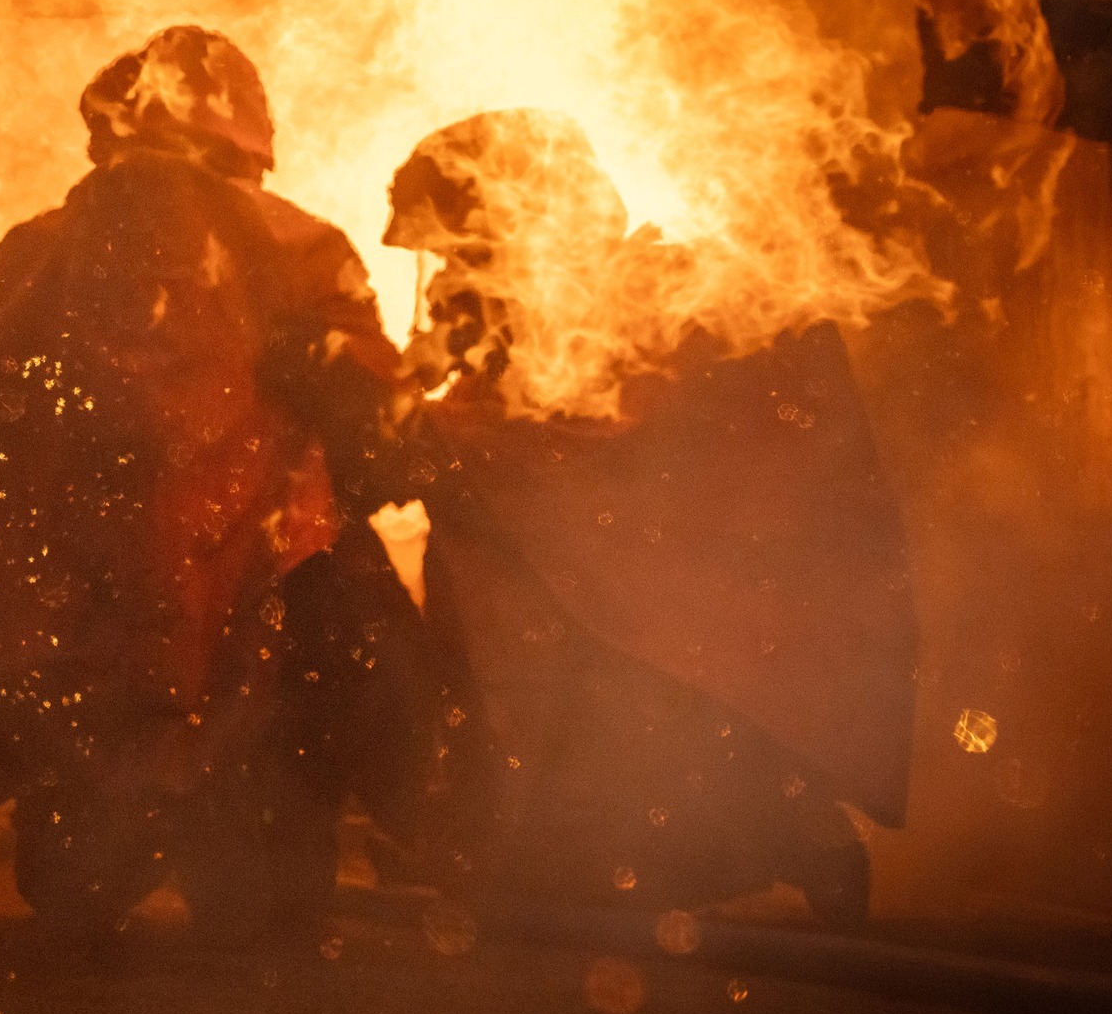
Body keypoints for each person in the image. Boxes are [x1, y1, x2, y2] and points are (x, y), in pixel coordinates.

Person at [0, 26, 431, 936]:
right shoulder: (298, 245)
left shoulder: (42, 250)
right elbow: (383, 428)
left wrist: (15, 526)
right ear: (248, 140)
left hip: (90, 610)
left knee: (85, 871)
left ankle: (110, 829)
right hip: (259, 597)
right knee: (267, 887)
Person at [382, 109, 921, 927]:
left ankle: (793, 838)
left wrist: (439, 431)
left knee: (679, 737)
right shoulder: (537, 306)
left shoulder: (660, 291)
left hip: (679, 602)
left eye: (469, 247)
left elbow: (600, 430)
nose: (455, 269)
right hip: (612, 603)